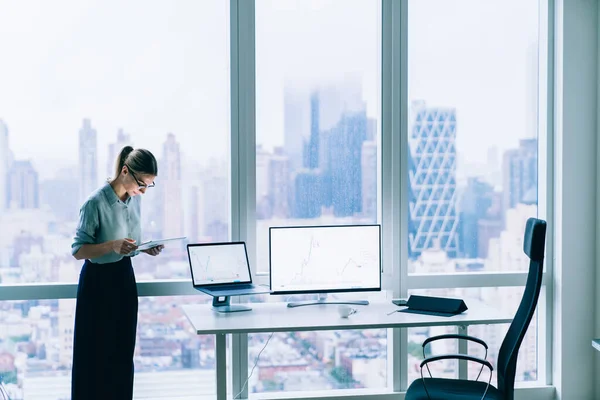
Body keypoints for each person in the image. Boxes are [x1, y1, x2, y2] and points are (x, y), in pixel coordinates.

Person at [70, 146, 163, 400]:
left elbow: (128, 246)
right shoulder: (94, 203)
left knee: (122, 356)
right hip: (98, 284)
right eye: (141, 184)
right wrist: (112, 245)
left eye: (148, 186)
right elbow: (78, 250)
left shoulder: (134, 203)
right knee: (93, 358)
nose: (143, 191)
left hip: (124, 278)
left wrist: (144, 249)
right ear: (125, 171)